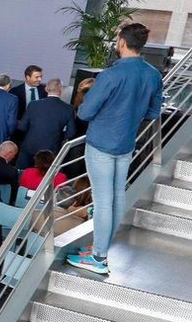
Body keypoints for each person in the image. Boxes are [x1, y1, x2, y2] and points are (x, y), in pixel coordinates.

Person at [69, 21, 164, 275]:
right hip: (125, 144)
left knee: (102, 202)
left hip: (101, 143)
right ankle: (99, 249)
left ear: (121, 42)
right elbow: (154, 112)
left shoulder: (111, 75)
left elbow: (86, 112)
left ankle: (98, 257)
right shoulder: (153, 74)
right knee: (116, 198)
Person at [18, 78, 74, 167]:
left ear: (46, 89)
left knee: (22, 175)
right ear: (61, 90)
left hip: (29, 147)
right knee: (45, 178)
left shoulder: (33, 104)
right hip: (51, 151)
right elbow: (71, 133)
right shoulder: (68, 108)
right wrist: (58, 137)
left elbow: (22, 126)